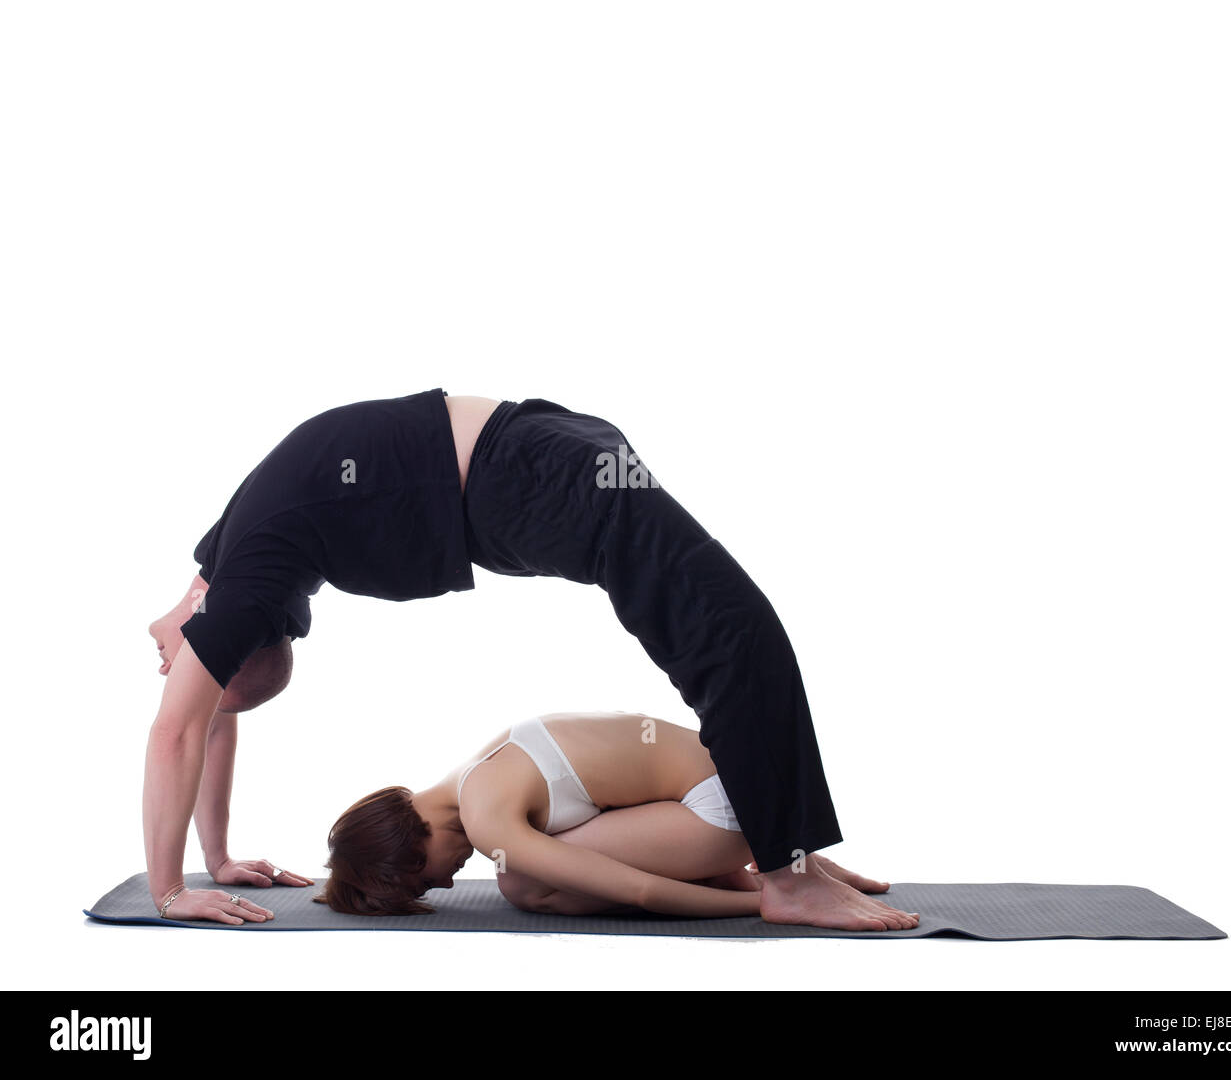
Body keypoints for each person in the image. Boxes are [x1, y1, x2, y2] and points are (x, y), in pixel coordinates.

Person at [144, 388, 914, 931]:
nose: (171, 668)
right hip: (535, 459)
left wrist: (171, 890)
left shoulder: (241, 581)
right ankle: (790, 853)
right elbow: (206, 721)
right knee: (726, 626)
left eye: (192, 669)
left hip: (528, 472)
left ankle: (786, 872)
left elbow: (180, 729)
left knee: (730, 629)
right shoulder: (234, 561)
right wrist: (214, 855)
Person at [315, 711, 918, 929]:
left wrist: (766, 903)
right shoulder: (477, 767)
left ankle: (782, 877)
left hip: (721, 811)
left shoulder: (487, 816)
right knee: (539, 863)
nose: (446, 885)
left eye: (425, 881)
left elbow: (639, 888)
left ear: (409, 853)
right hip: (740, 786)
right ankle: (785, 853)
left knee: (524, 884)